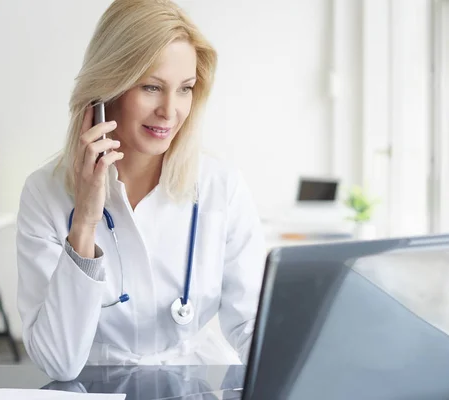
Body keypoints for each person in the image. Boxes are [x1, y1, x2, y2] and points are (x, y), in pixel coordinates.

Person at [16, 0, 266, 381]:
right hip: (94, 387)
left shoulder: (221, 187)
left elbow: (253, 328)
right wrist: (84, 220)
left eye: (184, 89)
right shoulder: (44, 193)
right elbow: (58, 362)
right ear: (106, 89)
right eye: (151, 87)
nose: (170, 111)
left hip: (193, 385)